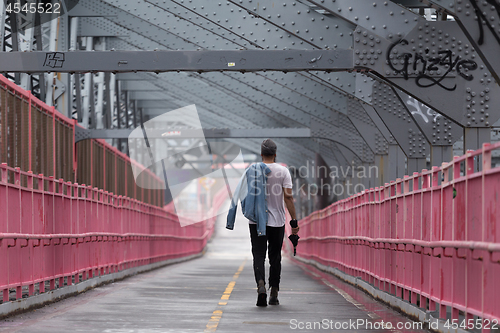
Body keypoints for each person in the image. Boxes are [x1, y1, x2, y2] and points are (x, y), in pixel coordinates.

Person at [226, 139, 299, 306]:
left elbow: (242, 194)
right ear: (275, 154)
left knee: (258, 255)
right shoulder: (283, 172)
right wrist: (294, 221)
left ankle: (261, 285)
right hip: (277, 222)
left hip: (256, 221)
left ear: (261, 154)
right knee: (275, 257)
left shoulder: (251, 171)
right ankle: (274, 291)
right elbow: (288, 197)